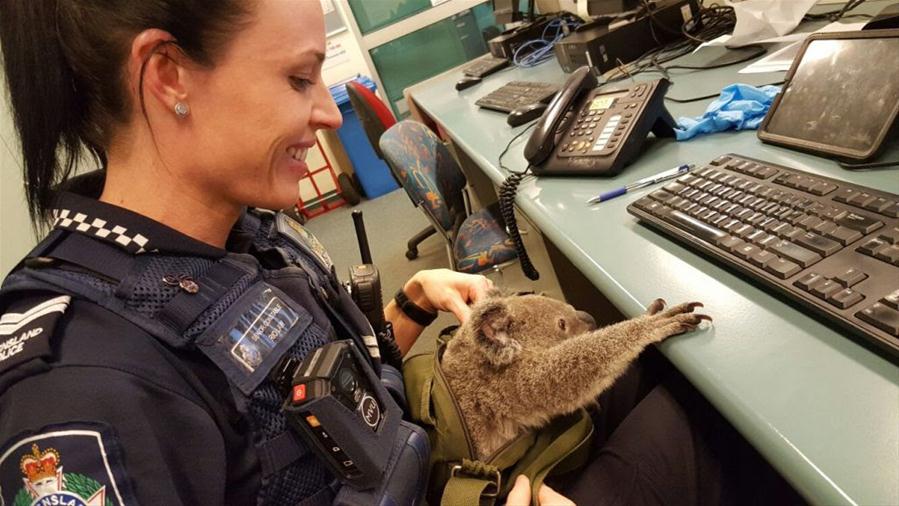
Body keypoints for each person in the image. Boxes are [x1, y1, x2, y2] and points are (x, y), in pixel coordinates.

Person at [0, 1, 803, 505]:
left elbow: (305, 405)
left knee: (672, 367)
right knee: (718, 427)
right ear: (167, 73)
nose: (326, 112)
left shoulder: (243, 234)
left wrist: (408, 311)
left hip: (442, 460)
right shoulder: (83, 386)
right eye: (297, 78)